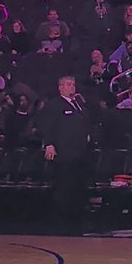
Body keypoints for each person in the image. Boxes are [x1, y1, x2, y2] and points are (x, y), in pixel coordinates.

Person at [38, 73, 94, 225]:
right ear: (60, 88)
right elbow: (47, 125)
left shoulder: (79, 105)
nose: (72, 87)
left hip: (80, 154)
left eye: (73, 84)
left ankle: (78, 218)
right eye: (68, 84)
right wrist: (49, 144)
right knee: (64, 186)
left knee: (78, 186)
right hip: (64, 153)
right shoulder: (54, 105)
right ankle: (62, 220)